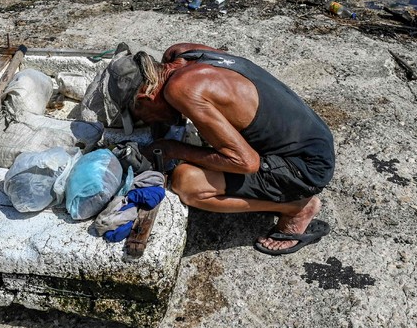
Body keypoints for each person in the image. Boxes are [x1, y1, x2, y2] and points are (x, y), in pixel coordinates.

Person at [82, 43, 335, 256]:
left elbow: (246, 163)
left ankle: (295, 207)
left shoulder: (182, 89)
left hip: (304, 168)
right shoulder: (180, 54)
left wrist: (174, 148)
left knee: (187, 183)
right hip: (313, 136)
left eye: (141, 116)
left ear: (145, 98)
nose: (145, 123)